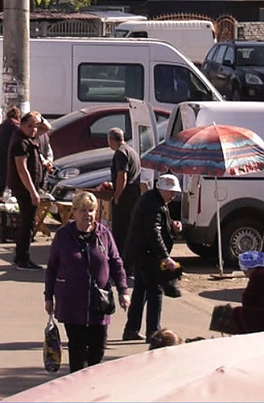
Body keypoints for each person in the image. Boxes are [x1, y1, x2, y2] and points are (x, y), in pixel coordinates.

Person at [44, 191, 130, 373]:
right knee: (77, 352)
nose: (87, 215)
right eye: (83, 210)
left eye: (91, 210)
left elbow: (116, 262)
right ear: (73, 212)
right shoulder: (63, 236)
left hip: (99, 305)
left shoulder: (104, 235)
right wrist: (48, 297)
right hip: (72, 304)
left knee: (98, 351)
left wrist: (123, 291)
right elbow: (51, 267)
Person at [125, 174, 183, 338]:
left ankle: (131, 329)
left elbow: (156, 228)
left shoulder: (154, 201)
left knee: (141, 291)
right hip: (149, 254)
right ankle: (154, 332)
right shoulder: (154, 205)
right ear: (162, 189)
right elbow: (153, 233)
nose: (174, 195)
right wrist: (165, 257)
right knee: (156, 291)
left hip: (141, 253)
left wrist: (172, 226)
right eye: (171, 192)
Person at [110, 127, 144, 341]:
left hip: (126, 196)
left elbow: (121, 176)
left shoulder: (120, 154)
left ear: (111, 140)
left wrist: (116, 195)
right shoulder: (131, 151)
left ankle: (123, 267)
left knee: (121, 233)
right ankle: (127, 266)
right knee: (127, 231)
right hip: (133, 196)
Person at [8, 111, 51, 269]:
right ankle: (22, 258)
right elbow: (22, 170)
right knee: (28, 223)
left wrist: (39, 118)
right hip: (25, 188)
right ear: (21, 125)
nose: (34, 129)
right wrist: (33, 192)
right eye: (30, 126)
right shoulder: (21, 142)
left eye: (35, 126)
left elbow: (47, 127)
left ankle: (20, 256)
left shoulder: (29, 137)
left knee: (28, 222)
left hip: (30, 185)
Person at [0, 106, 21, 191]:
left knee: (1, 180)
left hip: (0, 156)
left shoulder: (2, 126)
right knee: (15, 181)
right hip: (11, 157)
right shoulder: (17, 127)